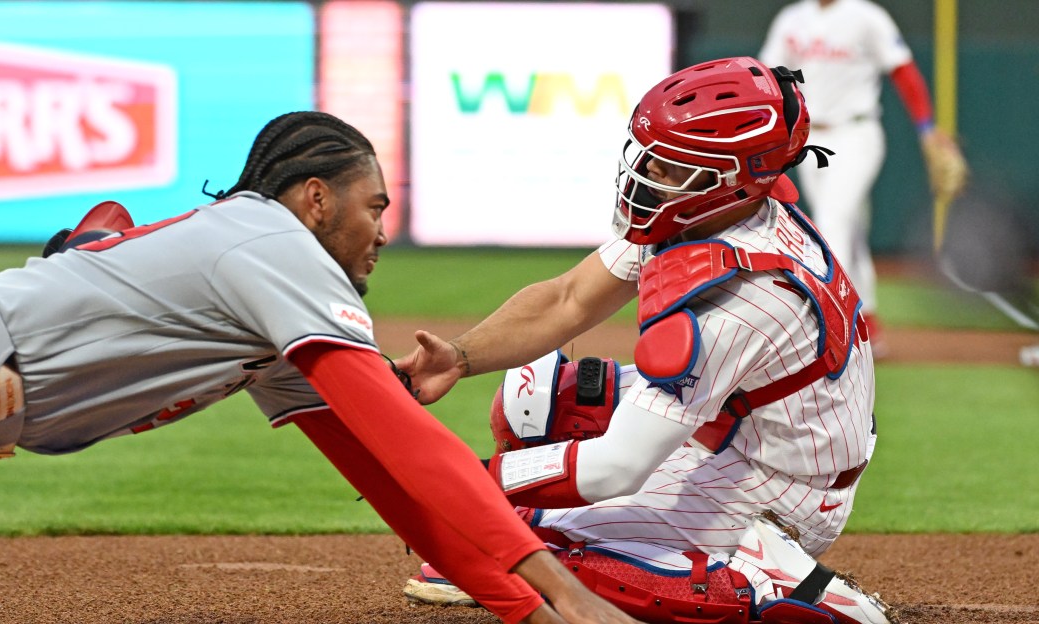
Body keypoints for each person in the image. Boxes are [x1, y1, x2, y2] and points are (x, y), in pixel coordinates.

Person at [0, 111, 636, 624]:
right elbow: (411, 441)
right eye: (374, 206)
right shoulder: (277, 247)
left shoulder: (263, 301)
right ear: (316, 199)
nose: (382, 231)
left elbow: (392, 480)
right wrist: (567, 594)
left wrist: (526, 610)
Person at [396, 58, 895, 624]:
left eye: (671, 164)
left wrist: (461, 484)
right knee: (538, 396)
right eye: (650, 154)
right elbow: (567, 299)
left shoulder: (744, 297)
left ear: (728, 177)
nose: (648, 170)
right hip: (743, 434)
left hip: (779, 491)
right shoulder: (715, 215)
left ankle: (766, 576)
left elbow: (616, 467)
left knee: (517, 547)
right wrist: (459, 358)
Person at [759, 0, 968, 353]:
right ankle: (867, 322)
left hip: (856, 134)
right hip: (810, 138)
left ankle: (832, 325)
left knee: (832, 221)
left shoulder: (866, 16)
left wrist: (926, 128)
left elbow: (903, 71)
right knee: (851, 230)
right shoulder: (792, 18)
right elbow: (769, 77)